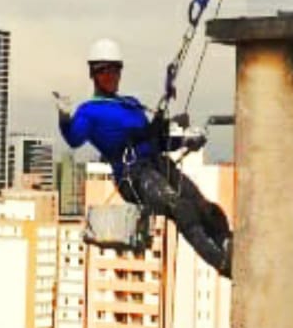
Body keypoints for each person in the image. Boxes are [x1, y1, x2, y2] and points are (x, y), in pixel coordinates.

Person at [57, 38, 233, 278]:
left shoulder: (130, 104)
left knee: (203, 206)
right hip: (134, 176)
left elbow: (154, 141)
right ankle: (221, 262)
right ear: (93, 75)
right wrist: (65, 119)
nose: (110, 76)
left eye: (114, 70)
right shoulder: (89, 111)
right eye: (103, 71)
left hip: (157, 164)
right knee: (180, 208)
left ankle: (227, 243)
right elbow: (74, 139)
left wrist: (183, 141)